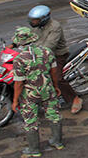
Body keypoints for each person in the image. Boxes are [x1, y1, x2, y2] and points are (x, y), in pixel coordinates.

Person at [11, 27, 63, 157]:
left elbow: (18, 83)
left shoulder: (19, 59)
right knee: (54, 115)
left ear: (19, 42)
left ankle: (34, 150)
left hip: (30, 94)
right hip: (47, 89)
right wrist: (56, 86)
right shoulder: (47, 51)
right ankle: (57, 142)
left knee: (30, 121)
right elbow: (54, 72)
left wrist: (15, 100)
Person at [28, 5, 84, 114]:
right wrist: (14, 44)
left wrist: (37, 53)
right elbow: (29, 36)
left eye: (35, 20)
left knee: (57, 79)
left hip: (57, 55)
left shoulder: (55, 27)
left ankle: (75, 99)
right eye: (32, 20)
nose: (33, 22)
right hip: (41, 54)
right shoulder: (37, 26)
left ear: (43, 19)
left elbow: (50, 45)